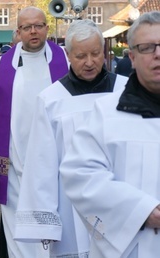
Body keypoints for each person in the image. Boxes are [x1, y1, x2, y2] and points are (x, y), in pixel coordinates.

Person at [14, 19, 128, 258]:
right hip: (71, 208)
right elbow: (41, 164)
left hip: (122, 203)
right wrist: (44, 220)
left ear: (104, 51)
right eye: (80, 56)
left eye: (95, 54)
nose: (89, 63)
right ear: (68, 55)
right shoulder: (51, 100)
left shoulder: (126, 92)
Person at [0, 6, 69, 257]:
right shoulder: (0, 67)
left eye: (39, 26)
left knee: (59, 233)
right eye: (27, 27)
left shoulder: (65, 60)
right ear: (18, 31)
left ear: (47, 28)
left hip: (58, 165)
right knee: (19, 233)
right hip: (15, 166)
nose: (33, 31)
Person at [60, 11, 160, 258]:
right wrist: (142, 210)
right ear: (132, 57)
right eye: (147, 47)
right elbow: (80, 174)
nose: (158, 54)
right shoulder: (106, 113)